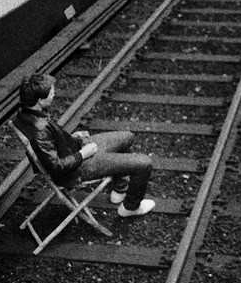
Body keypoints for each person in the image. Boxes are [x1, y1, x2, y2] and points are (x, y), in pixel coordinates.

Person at [15, 72, 155, 217]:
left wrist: (71, 138)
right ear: (39, 100)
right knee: (144, 164)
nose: (54, 94)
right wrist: (83, 154)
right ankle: (130, 208)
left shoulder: (26, 112)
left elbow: (50, 143)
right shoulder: (40, 131)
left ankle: (120, 190)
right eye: (51, 93)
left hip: (73, 150)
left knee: (127, 137)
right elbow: (57, 167)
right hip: (77, 168)